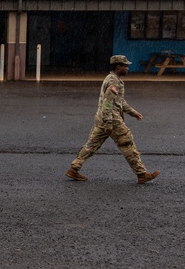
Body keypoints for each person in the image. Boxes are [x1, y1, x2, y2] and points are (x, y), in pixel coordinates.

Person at [66, 55, 159, 184]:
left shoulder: (111, 78)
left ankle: (74, 168)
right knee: (127, 143)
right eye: (125, 66)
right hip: (112, 118)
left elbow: (119, 101)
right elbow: (108, 103)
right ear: (118, 67)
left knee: (91, 145)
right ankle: (141, 174)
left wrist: (133, 113)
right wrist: (109, 122)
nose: (127, 69)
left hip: (102, 118)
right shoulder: (113, 82)